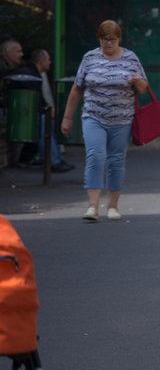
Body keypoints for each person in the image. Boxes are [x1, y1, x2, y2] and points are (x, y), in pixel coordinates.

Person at [60, 20, 149, 221]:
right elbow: (77, 88)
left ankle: (113, 206)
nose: (108, 43)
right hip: (93, 116)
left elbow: (143, 88)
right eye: (104, 39)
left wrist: (136, 81)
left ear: (119, 39)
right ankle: (92, 206)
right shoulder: (90, 57)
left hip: (122, 119)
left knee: (116, 160)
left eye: (112, 39)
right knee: (95, 156)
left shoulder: (130, 58)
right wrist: (67, 118)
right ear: (98, 38)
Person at [15, 50, 74, 172]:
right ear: (41, 61)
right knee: (44, 123)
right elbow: (33, 102)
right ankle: (53, 160)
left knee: (47, 123)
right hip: (22, 115)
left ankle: (55, 158)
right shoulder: (30, 76)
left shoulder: (33, 74)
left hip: (26, 114)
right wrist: (46, 110)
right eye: (48, 59)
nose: (50, 62)